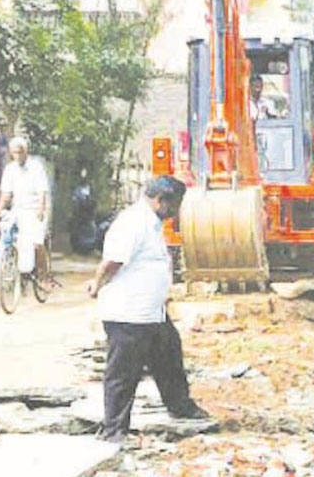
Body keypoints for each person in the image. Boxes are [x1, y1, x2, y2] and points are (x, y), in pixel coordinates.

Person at [86, 175, 210, 445]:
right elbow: (112, 262)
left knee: (168, 357)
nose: (177, 211)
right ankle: (114, 431)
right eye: (175, 205)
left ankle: (181, 407)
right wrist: (96, 285)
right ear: (160, 201)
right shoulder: (133, 223)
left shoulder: (151, 223)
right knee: (123, 374)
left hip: (151, 313)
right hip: (129, 314)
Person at [0, 136, 50, 279]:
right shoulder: (10, 169)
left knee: (37, 244)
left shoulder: (36, 167)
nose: (17, 156)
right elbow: (6, 193)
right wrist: (0, 207)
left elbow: (42, 191)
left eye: (20, 152)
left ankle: (43, 275)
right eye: (14, 153)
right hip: (19, 209)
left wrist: (40, 209)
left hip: (35, 209)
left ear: (26, 151)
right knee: (11, 238)